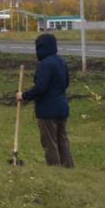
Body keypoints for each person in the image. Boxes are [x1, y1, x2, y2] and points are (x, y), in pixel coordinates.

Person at [18, 32, 75, 169]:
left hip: (48, 111)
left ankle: (55, 169)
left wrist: (24, 96)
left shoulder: (45, 64)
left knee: (50, 142)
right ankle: (68, 167)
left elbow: (41, 87)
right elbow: (66, 83)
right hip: (62, 107)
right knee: (63, 140)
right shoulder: (61, 61)